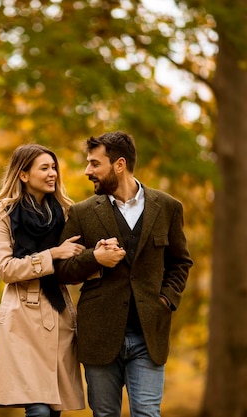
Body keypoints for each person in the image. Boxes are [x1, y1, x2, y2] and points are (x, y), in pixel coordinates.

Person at [54, 131, 193, 417]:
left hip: (149, 335)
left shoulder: (168, 207)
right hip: (99, 335)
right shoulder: (81, 213)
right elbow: (62, 270)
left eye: (95, 164)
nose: (87, 171)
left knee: (147, 414)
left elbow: (180, 263)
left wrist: (166, 300)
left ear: (119, 165)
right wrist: (94, 257)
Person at [0, 143, 86, 417]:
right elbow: (6, 269)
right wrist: (53, 254)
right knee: (39, 410)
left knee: (53, 410)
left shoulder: (65, 212)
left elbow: (74, 264)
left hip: (59, 313)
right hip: (22, 317)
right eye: (44, 168)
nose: (52, 173)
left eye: (54, 167)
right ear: (24, 175)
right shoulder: (1, 214)